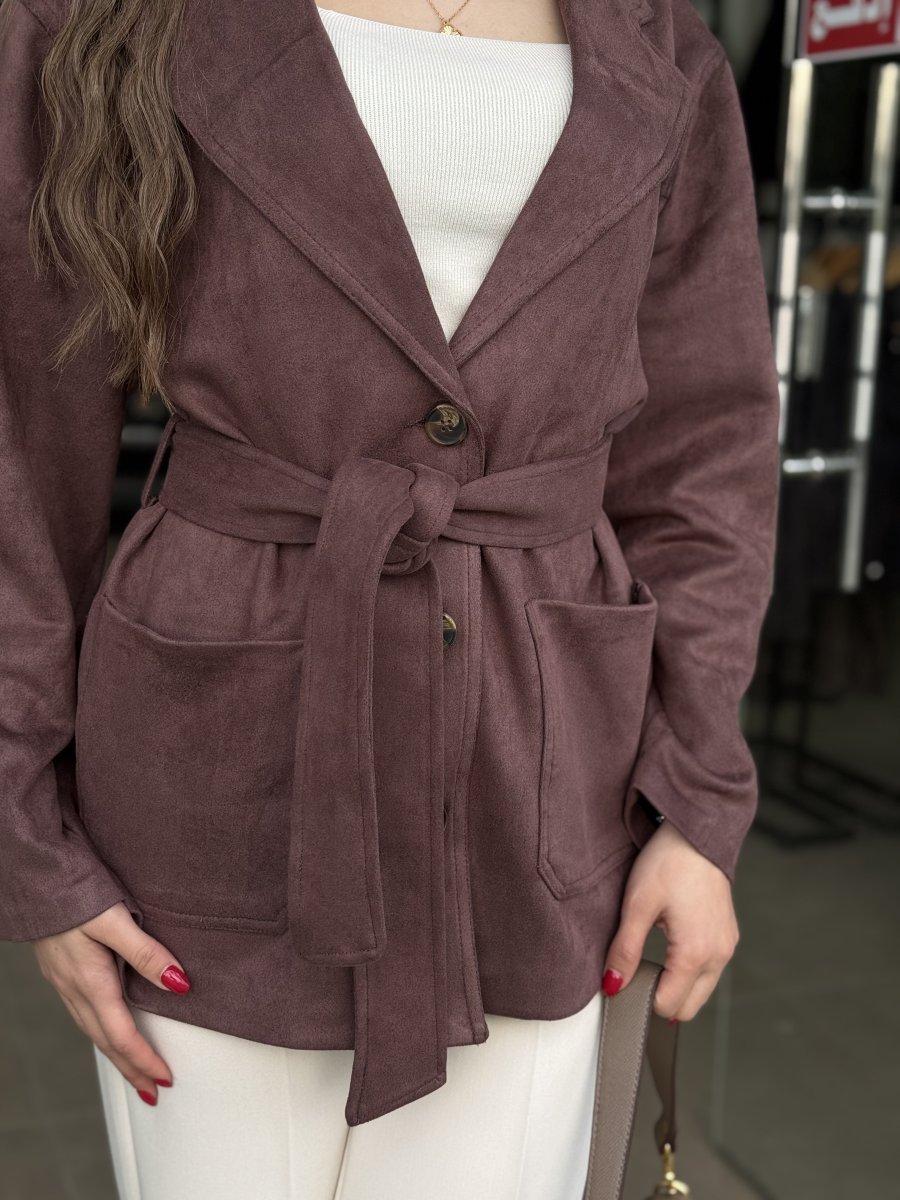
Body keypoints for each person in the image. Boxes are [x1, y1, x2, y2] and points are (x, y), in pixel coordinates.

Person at [0, 0, 781, 1195]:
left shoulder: (657, 40)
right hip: (217, 775)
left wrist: (696, 797)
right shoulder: (98, 17)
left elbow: (705, 447)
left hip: (542, 773)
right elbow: (20, 435)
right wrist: (27, 838)